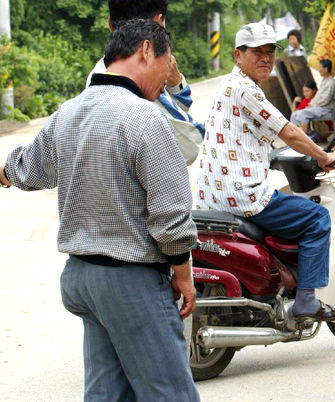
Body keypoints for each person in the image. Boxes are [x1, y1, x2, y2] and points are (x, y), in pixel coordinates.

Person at [1, 20, 200, 401]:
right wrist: (184, 275)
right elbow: (172, 222)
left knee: (106, 395)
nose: (168, 78)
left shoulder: (68, 112)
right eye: (167, 63)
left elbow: (29, 168)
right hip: (130, 284)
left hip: (82, 280)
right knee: (171, 395)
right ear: (145, 51)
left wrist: (4, 173)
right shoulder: (147, 118)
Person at [194, 22, 335, 322]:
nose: (266, 58)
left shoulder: (227, 85)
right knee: (317, 218)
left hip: (213, 195)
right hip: (242, 195)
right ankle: (306, 300)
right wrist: (323, 156)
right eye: (257, 52)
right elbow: (289, 132)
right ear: (238, 55)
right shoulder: (247, 90)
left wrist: (269, 156)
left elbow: (242, 136)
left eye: (270, 51)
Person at [86, 0, 204, 166]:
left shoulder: (96, 76)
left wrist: (174, 84)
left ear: (109, 24)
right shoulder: (142, 80)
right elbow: (190, 142)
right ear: (157, 23)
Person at [290, 59, 335, 136]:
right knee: (295, 114)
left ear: (326, 69)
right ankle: (294, 136)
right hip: (319, 107)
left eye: (320, 67)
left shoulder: (330, 82)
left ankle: (304, 138)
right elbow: (317, 97)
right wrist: (311, 103)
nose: (319, 69)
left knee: (303, 113)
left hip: (326, 109)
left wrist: (313, 105)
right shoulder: (324, 80)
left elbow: (326, 100)